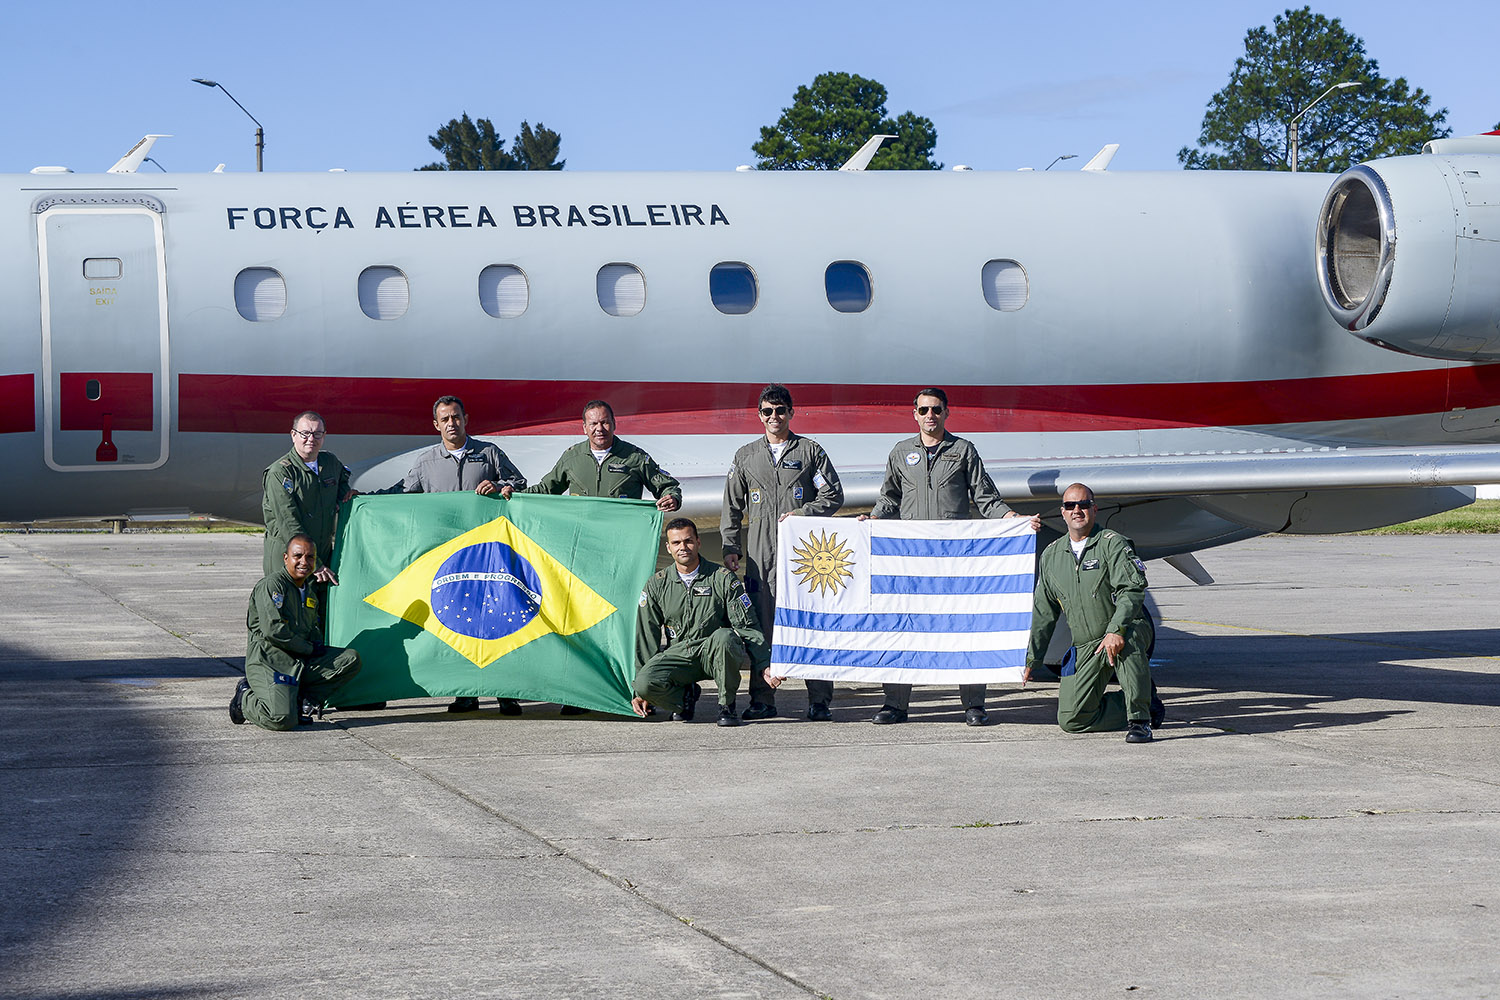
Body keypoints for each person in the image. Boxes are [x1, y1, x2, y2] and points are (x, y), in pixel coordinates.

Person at [861, 388, 1037, 726]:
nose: (930, 415)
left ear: (946, 413)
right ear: (914, 413)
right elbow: (889, 498)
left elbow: (985, 497)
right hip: (911, 559)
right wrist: (873, 520)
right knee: (903, 627)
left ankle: (973, 704)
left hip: (956, 559)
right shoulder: (900, 453)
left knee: (964, 627)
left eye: (936, 410)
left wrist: (1012, 519)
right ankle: (895, 704)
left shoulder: (963, 451)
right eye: (924, 410)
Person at [386, 395, 528, 715]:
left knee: (496, 624)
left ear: (466, 419)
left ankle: (505, 692)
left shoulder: (488, 453)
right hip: (450, 560)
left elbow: (518, 482)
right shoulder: (426, 463)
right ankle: (466, 693)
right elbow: (402, 496)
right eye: (445, 419)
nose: (452, 423)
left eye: (456, 417)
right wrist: (363, 501)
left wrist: (500, 484)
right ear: (436, 425)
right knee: (458, 626)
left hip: (489, 556)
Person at [721, 384, 844, 720]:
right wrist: (731, 546)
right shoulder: (746, 456)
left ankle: (819, 700)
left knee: (810, 623)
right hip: (761, 557)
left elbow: (832, 495)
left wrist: (803, 514)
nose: (774, 417)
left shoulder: (810, 452)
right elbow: (731, 506)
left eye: (780, 410)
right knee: (761, 628)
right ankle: (762, 699)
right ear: (759, 415)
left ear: (791, 412)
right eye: (767, 411)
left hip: (804, 557)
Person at [1025, 483, 1165, 743]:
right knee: (1072, 720)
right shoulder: (1052, 556)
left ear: (1094, 509)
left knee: (1126, 640)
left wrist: (1116, 629)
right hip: (1086, 643)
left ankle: (1140, 720)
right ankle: (1143, 700)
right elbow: (1044, 612)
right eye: (1070, 506)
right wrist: (1032, 658)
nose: (1077, 510)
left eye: (1084, 505)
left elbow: (1132, 591)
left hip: (1125, 627)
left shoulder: (1112, 545)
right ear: (1063, 512)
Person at [632, 519, 769, 728]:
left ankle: (727, 705)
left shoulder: (722, 578)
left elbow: (747, 625)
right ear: (668, 547)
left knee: (726, 637)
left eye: (688, 541)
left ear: (698, 542)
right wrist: (641, 691)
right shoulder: (657, 584)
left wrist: (764, 664)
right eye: (676, 543)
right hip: (679, 656)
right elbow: (645, 637)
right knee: (644, 684)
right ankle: (683, 700)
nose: (683, 547)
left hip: (714, 653)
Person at [230, 534, 361, 731]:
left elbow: (312, 630)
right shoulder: (272, 586)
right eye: (298, 556)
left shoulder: (308, 592)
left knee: (350, 659)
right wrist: (308, 649)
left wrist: (316, 646)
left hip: (299, 660)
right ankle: (245, 698)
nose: (304, 562)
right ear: (286, 558)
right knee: (281, 719)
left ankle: (303, 700)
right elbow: (273, 630)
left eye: (310, 557)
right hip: (270, 662)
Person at [512, 400, 681, 512]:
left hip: (621, 537)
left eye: (604, 422)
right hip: (583, 537)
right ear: (584, 428)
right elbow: (546, 489)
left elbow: (666, 486)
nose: (599, 429)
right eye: (593, 424)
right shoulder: (572, 458)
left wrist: (672, 497)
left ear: (614, 424)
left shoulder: (634, 457)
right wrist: (512, 494)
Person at [261, 410, 354, 584]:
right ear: (293, 435)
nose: (311, 439)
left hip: (322, 557)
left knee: (315, 609)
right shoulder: (280, 473)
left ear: (324, 436)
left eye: (317, 433)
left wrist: (348, 495)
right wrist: (314, 563)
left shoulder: (330, 463)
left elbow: (342, 484)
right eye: (305, 433)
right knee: (291, 608)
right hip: (291, 561)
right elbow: (288, 522)